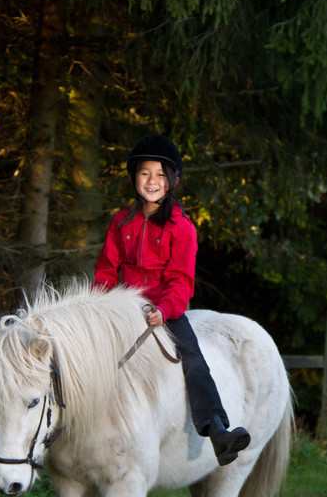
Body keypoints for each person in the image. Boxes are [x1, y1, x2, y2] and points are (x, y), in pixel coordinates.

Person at [94, 134, 251, 466]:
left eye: (160, 174)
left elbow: (181, 283)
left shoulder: (182, 228)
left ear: (173, 179)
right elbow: (107, 271)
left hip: (165, 310)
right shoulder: (120, 222)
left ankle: (217, 430)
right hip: (122, 307)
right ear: (134, 178)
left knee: (193, 358)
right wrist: (99, 308)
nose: (152, 181)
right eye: (145, 173)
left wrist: (163, 311)